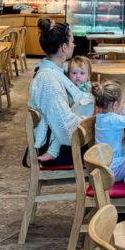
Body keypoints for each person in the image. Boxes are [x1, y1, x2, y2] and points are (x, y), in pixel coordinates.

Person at [26, 18, 84, 166]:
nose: (74, 45)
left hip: (59, 142)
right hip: (58, 150)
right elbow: (65, 130)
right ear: (64, 47)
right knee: (119, 143)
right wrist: (94, 123)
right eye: (72, 42)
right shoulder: (49, 80)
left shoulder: (52, 71)